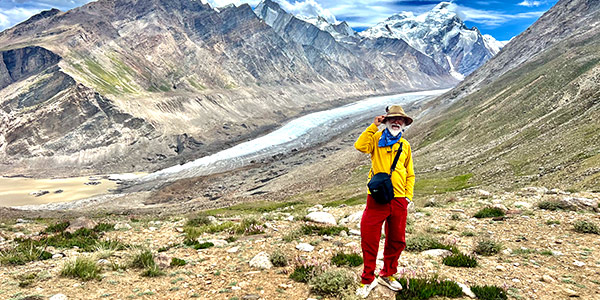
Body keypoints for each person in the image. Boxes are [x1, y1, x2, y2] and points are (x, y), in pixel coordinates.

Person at [354, 105, 415, 298]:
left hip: (399, 200)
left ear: (404, 123)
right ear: (386, 121)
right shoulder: (376, 139)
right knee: (370, 238)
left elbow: (410, 173)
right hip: (377, 198)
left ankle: (387, 274)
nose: (397, 122)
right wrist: (373, 126)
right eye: (393, 119)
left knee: (397, 240)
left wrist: (407, 196)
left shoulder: (405, 145)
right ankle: (367, 278)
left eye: (401, 120)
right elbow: (360, 146)